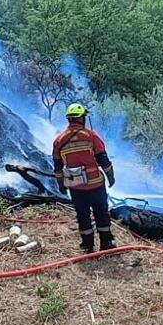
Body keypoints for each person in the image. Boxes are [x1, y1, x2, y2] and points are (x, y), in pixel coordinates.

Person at [52, 103, 116, 252]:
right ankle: (106, 242)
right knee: (101, 212)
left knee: (82, 215)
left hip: (76, 186)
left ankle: (87, 246)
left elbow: (57, 167)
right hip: (95, 185)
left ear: (69, 119)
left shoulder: (59, 140)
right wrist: (111, 177)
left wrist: (61, 185)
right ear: (81, 118)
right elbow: (103, 160)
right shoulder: (92, 136)